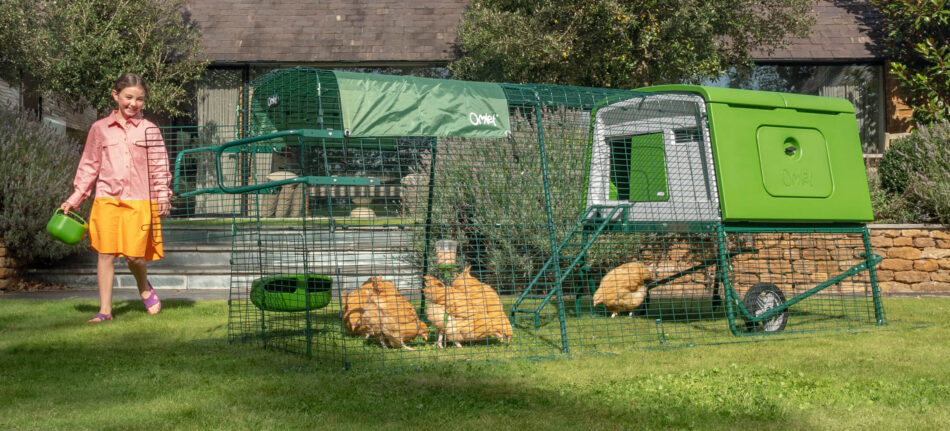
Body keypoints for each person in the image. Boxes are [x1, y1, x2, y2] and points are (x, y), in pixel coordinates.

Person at [60, 73, 172, 323]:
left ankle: (144, 286)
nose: (133, 103)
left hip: (140, 200)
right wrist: (75, 199)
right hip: (107, 200)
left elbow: (159, 166)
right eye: (129, 97)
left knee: (134, 256)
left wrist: (163, 195)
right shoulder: (99, 129)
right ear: (116, 95)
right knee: (106, 253)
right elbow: (89, 165)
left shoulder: (150, 130)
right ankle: (105, 311)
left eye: (140, 99)